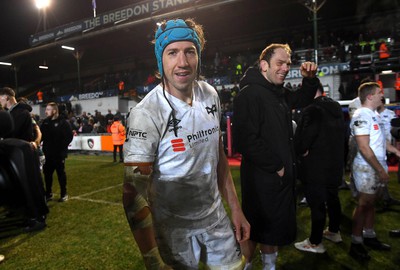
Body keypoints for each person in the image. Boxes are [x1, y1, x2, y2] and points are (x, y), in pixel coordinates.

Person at [122, 18, 250, 269]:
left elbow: (218, 155)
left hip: (215, 219)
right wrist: (152, 260)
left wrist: (235, 209)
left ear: (199, 55)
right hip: (173, 229)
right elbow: (133, 194)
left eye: (189, 51)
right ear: (161, 60)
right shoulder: (145, 114)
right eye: (172, 53)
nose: (182, 62)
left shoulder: (210, 94)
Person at [233, 43, 319, 270]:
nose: (285, 68)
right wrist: (277, 166)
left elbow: (301, 100)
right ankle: (246, 266)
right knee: (258, 228)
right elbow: (246, 140)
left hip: (277, 179)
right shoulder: (249, 94)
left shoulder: (276, 91)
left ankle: (266, 266)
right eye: (280, 63)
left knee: (270, 230)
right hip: (263, 179)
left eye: (288, 64)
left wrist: (309, 79)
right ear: (264, 65)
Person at [349, 82, 400, 260]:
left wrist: (396, 151)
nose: (382, 95)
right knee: (363, 204)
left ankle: (369, 236)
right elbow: (364, 147)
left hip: (374, 166)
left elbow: (381, 141)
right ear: (370, 96)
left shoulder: (373, 114)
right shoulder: (361, 114)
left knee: (371, 204)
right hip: (366, 168)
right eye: (379, 92)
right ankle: (355, 243)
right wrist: (380, 170)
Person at [293, 84, 345, 254]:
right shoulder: (335, 108)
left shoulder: (312, 110)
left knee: (316, 204)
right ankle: (334, 231)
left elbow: (302, 141)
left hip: (316, 166)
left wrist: (302, 148)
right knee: (332, 198)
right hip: (335, 164)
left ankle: (315, 242)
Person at [40, 102, 73, 202]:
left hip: (59, 155)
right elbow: (41, 137)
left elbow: (69, 137)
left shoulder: (63, 122)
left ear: (54, 111)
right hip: (47, 154)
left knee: (61, 174)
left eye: (48, 109)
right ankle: (48, 193)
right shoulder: (45, 123)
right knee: (47, 175)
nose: (46, 112)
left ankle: (64, 193)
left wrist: (61, 149)